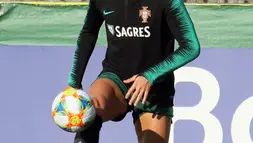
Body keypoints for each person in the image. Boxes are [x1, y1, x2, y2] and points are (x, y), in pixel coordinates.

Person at [67, 0, 200, 142]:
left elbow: (191, 47)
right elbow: (89, 33)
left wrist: (150, 76)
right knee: (90, 111)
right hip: (115, 79)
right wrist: (74, 83)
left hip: (155, 88)